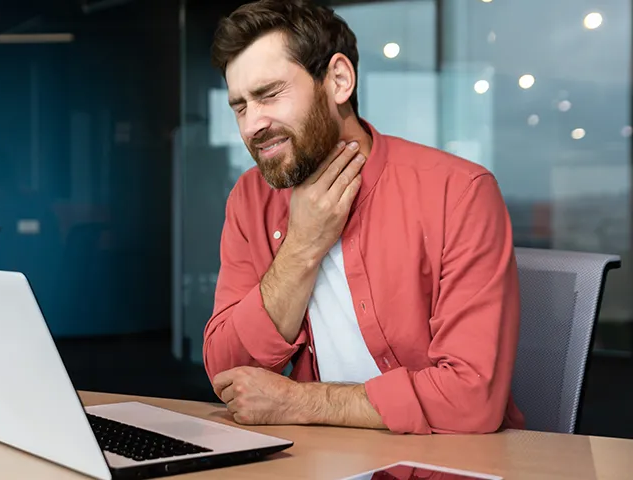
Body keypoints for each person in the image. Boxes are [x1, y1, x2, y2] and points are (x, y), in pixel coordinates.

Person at [202, 0, 525, 435]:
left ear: (338, 80)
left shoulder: (459, 193)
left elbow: (470, 399)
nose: (251, 125)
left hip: (442, 459)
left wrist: (300, 401)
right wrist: (301, 247)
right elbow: (228, 373)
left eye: (269, 94)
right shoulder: (249, 198)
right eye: (240, 106)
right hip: (314, 458)